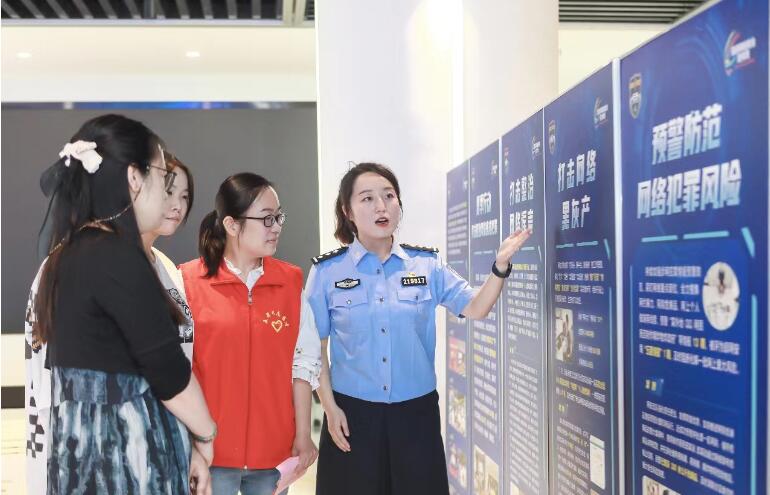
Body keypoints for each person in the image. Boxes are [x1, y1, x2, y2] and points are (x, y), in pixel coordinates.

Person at [306, 162, 530, 495]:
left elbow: (476, 307)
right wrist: (329, 406)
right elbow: (315, 348)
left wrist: (500, 267)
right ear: (347, 211)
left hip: (416, 416)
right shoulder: (327, 272)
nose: (381, 206)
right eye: (367, 198)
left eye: (389, 196)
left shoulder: (427, 265)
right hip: (351, 415)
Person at [28, 114, 216, 495]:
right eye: (162, 177)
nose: (166, 194)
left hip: (79, 449)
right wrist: (206, 435)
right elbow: (169, 373)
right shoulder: (118, 257)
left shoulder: (68, 253)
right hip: (124, 454)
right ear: (134, 177)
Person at [180, 172, 322, 495]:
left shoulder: (289, 282)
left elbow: (302, 364)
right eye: (266, 218)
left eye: (279, 217)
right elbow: (178, 371)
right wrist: (191, 442)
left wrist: (303, 434)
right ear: (231, 225)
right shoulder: (189, 282)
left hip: (273, 457)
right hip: (209, 455)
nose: (276, 227)